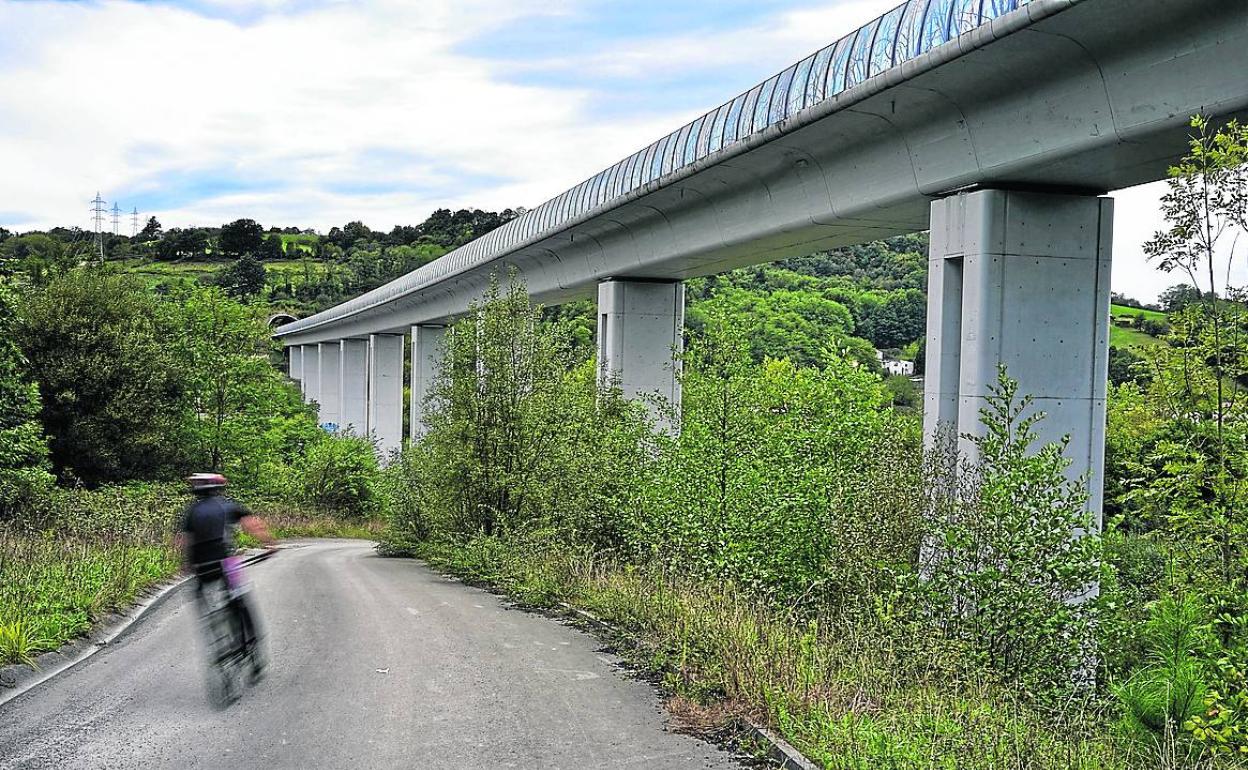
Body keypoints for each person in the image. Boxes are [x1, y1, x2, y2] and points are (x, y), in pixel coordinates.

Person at [176, 472, 276, 681]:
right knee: (242, 604)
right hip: (226, 564)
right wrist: (269, 545)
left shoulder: (190, 512)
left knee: (205, 607)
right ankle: (253, 648)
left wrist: (186, 566)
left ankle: (217, 642)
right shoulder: (226, 506)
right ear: (218, 489)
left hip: (202, 568)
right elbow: (252, 525)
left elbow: (184, 542)